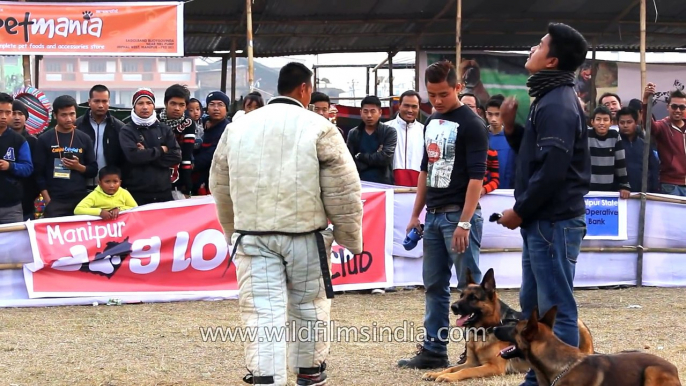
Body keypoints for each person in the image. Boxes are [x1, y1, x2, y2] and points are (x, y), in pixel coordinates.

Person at [209, 62, 363, 386]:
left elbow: (220, 185)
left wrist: (231, 229)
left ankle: (267, 378)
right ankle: (308, 371)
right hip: (306, 236)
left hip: (253, 235)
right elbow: (344, 188)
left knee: (262, 312)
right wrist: (351, 238)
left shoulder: (237, 128)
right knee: (309, 306)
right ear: (305, 89)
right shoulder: (319, 126)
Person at [497, 22, 591, 386]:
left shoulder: (558, 104)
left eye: (540, 44)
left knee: (557, 309)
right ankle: (540, 377)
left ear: (552, 61)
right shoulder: (549, 99)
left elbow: (553, 171)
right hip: (543, 221)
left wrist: (520, 211)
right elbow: (538, 160)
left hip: (552, 221)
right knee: (534, 304)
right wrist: (512, 130)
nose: (533, 48)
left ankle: (563, 379)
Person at [398, 60, 489, 370]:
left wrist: (465, 221)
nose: (436, 101)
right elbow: (426, 170)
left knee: (472, 291)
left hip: (458, 218)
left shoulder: (473, 123)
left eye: (443, 94)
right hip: (435, 217)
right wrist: (415, 214)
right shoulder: (433, 121)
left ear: (458, 88)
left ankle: (478, 353)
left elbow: (477, 177)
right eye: (432, 95)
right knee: (435, 286)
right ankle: (434, 350)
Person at [34, 95, 98, 218]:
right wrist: (48, 200)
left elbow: (93, 170)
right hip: (55, 199)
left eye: (72, 114)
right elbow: (38, 173)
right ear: (55, 115)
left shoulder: (84, 138)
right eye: (64, 115)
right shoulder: (44, 139)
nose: (69, 119)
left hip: (80, 199)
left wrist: (78, 167)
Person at [119, 88, 182, 205]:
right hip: (136, 193)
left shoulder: (164, 129)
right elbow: (134, 157)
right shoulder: (127, 130)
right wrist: (161, 149)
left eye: (149, 103)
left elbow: (176, 156)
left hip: (163, 192)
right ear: (134, 106)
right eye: (140, 103)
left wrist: (146, 154)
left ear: (154, 106)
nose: (145, 107)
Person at [74, 84, 125, 190]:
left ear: (109, 102)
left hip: (110, 187)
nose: (101, 105)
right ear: (89, 102)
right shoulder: (77, 125)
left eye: (104, 101)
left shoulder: (119, 127)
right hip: (81, 184)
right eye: (96, 101)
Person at [642, 85, 686, 196]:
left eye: (682, 107)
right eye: (674, 106)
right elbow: (649, 126)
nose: (678, 110)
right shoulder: (662, 126)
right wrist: (646, 101)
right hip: (670, 184)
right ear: (668, 107)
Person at [346, 95, 397, 185]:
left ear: (380, 112)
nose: (369, 115)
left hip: (383, 184)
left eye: (373, 111)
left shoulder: (389, 132)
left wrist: (360, 156)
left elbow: (385, 159)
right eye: (365, 112)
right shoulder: (353, 133)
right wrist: (376, 156)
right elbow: (349, 161)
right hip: (359, 182)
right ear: (361, 112)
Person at [0, 93, 33, 224]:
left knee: (14, 244)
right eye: (0, 112)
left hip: (11, 207)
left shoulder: (19, 140)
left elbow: (28, 168)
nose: (3, 117)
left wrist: (10, 166)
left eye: (8, 112)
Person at [158, 84, 195, 198]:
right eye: (173, 103)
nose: (177, 108)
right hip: (156, 176)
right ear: (165, 103)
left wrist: (186, 185)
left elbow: (186, 156)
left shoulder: (188, 124)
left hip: (178, 177)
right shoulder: (156, 120)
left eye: (181, 105)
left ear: (186, 107)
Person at [192, 91, 230, 195]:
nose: (216, 108)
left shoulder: (229, 129)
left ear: (226, 109)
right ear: (207, 108)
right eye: (212, 104)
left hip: (216, 182)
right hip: (194, 180)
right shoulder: (200, 125)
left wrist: (190, 165)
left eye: (220, 105)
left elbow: (213, 154)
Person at [588, 106, 630, 196]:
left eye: (605, 120)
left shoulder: (614, 136)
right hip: (587, 189)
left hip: (608, 189)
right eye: (598, 119)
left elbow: (620, 163)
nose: (602, 123)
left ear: (611, 122)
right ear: (592, 122)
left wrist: (624, 185)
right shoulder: (586, 136)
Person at [617, 106, 660, 193]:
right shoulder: (614, 143)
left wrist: (654, 189)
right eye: (622, 122)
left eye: (629, 122)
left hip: (644, 194)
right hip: (620, 194)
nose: (625, 125)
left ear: (636, 122)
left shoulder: (645, 144)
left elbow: (654, 168)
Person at [388, 90, 425, 187]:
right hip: (389, 187)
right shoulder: (385, 128)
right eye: (406, 105)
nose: (410, 110)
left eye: (414, 106)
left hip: (417, 189)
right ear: (399, 105)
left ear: (419, 108)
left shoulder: (425, 131)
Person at [10, 100, 40, 220]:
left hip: (27, 197)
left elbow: (37, 169)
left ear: (26, 117)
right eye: (13, 113)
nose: (17, 118)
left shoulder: (33, 141)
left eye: (20, 114)